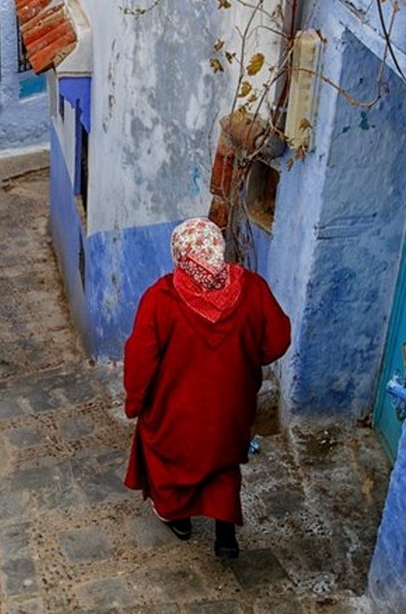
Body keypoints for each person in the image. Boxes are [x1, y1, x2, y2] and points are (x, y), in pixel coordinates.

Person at [123, 217, 291, 558]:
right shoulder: (253, 289)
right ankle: (225, 536)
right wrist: (245, 359)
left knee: (171, 456)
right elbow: (277, 340)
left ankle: (180, 520)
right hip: (231, 407)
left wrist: (136, 401)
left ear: (181, 255)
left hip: (175, 409)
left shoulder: (161, 299)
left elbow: (141, 359)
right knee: (222, 461)